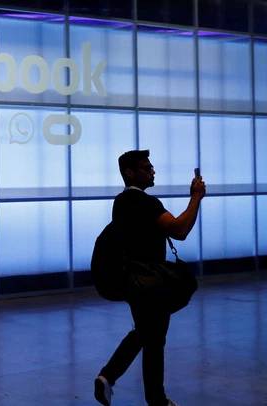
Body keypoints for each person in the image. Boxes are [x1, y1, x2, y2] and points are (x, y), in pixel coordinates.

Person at [94, 149, 206, 406]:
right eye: (146, 168)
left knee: (149, 334)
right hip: (152, 281)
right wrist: (196, 197)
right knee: (152, 335)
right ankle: (123, 383)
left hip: (131, 279)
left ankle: (120, 383)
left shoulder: (120, 203)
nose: (153, 171)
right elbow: (179, 229)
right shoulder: (144, 202)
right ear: (129, 173)